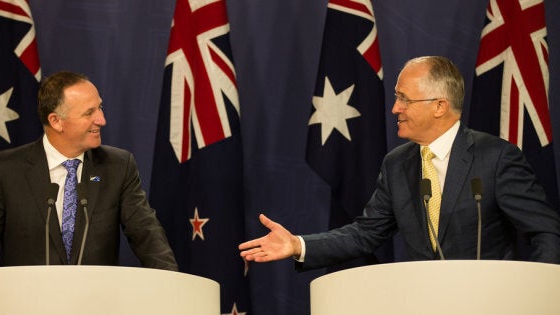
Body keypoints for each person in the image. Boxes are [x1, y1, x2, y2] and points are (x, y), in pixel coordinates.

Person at [239, 56, 560, 269]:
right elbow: (365, 234)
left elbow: (546, 231)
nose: (395, 108)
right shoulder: (398, 164)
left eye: (404, 98)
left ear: (439, 106)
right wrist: (298, 244)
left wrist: (536, 295)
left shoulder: (496, 157)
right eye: (396, 97)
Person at [0, 71, 178, 271]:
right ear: (56, 121)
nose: (101, 119)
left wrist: (171, 286)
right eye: (89, 112)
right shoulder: (4, 171)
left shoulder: (118, 167)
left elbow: (148, 236)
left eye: (100, 107)